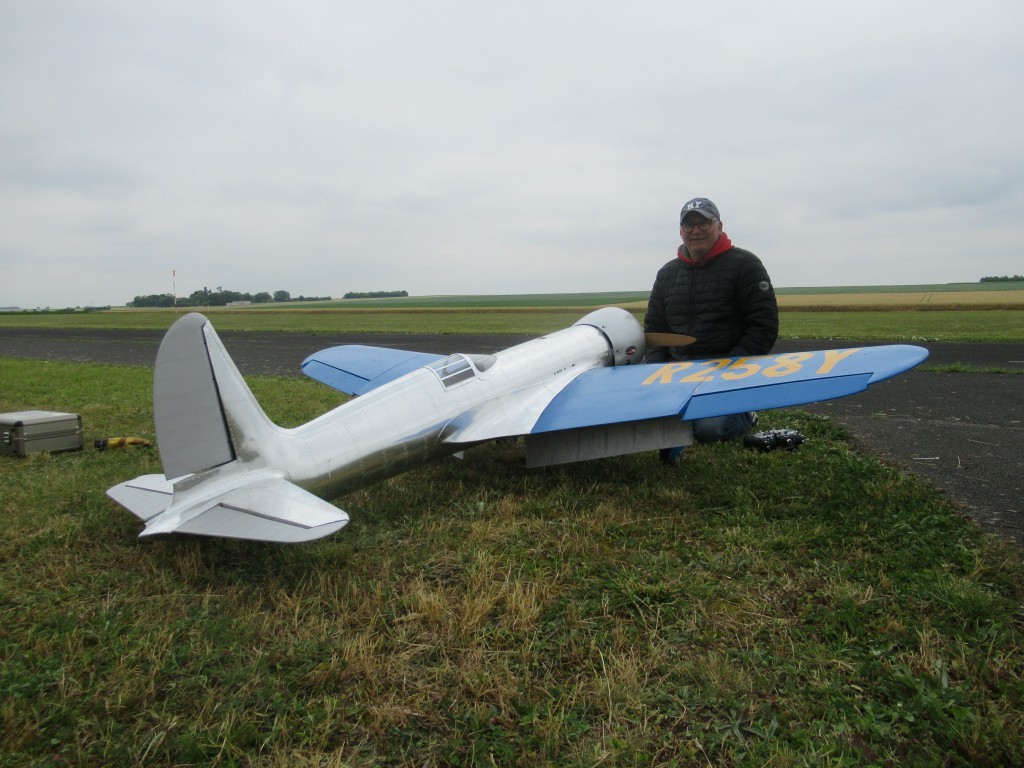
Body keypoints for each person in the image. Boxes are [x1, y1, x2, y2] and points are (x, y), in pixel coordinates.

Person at [644, 197, 778, 461]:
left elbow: (764, 325)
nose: (696, 230)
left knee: (711, 428)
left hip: (726, 370)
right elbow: (654, 327)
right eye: (689, 224)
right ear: (681, 230)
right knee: (638, 418)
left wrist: (730, 365)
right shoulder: (667, 274)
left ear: (719, 226)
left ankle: (745, 413)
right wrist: (658, 371)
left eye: (704, 222)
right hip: (677, 372)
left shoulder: (746, 265)